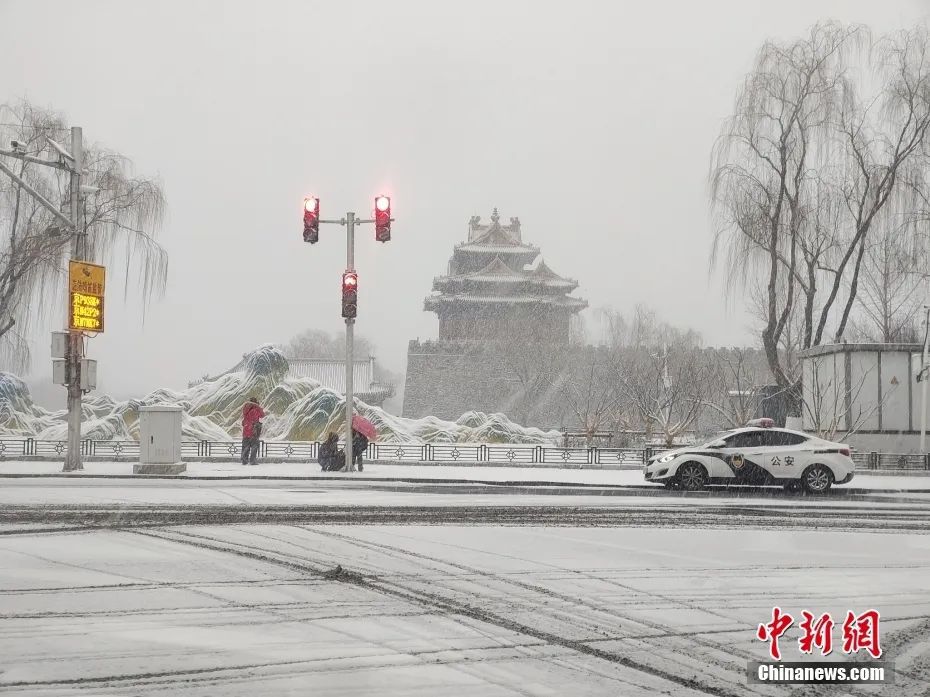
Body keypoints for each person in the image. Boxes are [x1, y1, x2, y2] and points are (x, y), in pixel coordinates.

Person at [240, 397, 265, 465]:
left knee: (245, 446)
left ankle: (244, 460)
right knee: (254, 446)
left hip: (246, 430)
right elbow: (262, 415)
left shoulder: (246, 408)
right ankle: (252, 461)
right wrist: (257, 406)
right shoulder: (256, 409)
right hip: (254, 430)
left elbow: (245, 415)